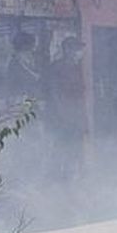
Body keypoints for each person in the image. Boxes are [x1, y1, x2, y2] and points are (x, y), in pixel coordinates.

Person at [45, 38, 88, 180]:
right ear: (68, 50)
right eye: (78, 49)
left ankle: (71, 178)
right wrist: (63, 115)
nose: (80, 53)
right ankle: (57, 179)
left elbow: (80, 97)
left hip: (75, 118)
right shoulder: (56, 68)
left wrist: (82, 120)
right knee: (60, 149)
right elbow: (54, 94)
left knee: (74, 151)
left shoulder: (77, 68)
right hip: (62, 119)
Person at [6, 32, 43, 105]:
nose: (33, 50)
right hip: (19, 102)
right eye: (30, 47)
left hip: (32, 100)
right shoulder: (15, 64)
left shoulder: (32, 63)